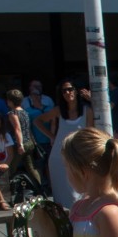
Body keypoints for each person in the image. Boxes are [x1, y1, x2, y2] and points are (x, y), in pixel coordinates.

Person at [37, 80, 94, 209]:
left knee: (78, 193)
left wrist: (91, 99)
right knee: (61, 197)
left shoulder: (87, 110)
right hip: (58, 156)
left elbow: (91, 131)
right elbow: (38, 121)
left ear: (76, 90)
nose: (68, 93)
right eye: (64, 91)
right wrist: (52, 137)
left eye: (70, 89)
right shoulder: (59, 110)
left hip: (77, 156)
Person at [4, 89, 43, 195]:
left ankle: (10, 191)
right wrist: (33, 141)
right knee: (31, 168)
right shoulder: (25, 112)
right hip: (29, 142)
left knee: (11, 167)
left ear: (11, 101)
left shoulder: (12, 113)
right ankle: (40, 189)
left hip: (20, 144)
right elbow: (28, 128)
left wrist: (20, 144)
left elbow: (17, 129)